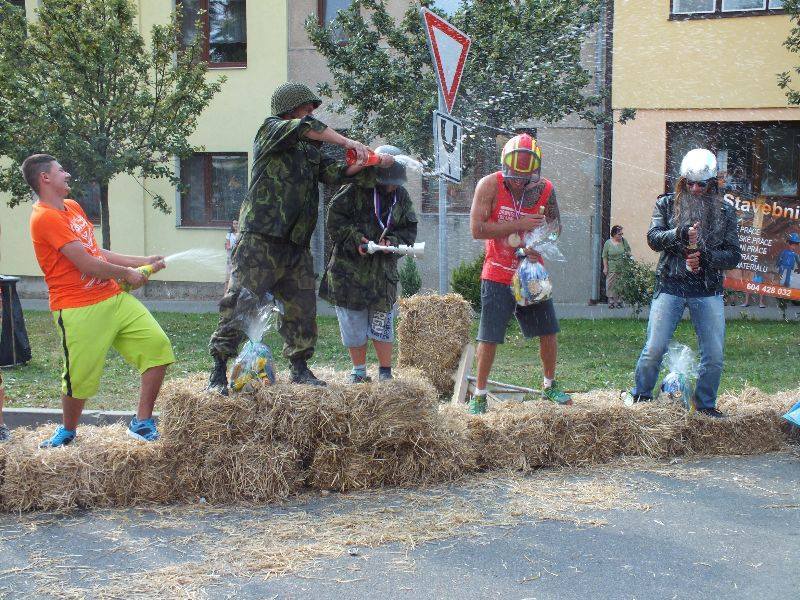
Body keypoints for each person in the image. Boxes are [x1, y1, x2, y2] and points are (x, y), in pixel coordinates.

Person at [207, 82, 393, 392]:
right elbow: (308, 127)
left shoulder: (309, 150)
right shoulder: (270, 130)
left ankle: (300, 367)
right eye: (307, 108)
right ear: (290, 108)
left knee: (302, 308)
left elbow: (333, 173)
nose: (312, 113)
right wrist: (349, 141)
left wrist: (365, 163)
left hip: (296, 244)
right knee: (240, 303)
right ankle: (218, 371)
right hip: (261, 239)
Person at [23, 154, 175, 447]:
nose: (67, 174)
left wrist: (142, 261)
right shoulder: (44, 217)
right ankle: (68, 430)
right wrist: (128, 273)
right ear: (45, 178)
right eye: (61, 170)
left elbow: (95, 251)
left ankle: (141, 423)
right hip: (77, 308)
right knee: (79, 379)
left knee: (158, 348)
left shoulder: (72, 207)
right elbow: (87, 264)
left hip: (112, 297)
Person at [625, 149, 741, 418]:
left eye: (702, 184)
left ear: (712, 184)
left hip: (707, 289)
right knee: (654, 347)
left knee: (713, 354)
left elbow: (734, 254)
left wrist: (707, 258)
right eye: (690, 183)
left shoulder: (725, 211)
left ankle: (705, 406)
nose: (696, 189)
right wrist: (677, 234)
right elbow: (653, 238)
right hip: (671, 284)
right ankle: (641, 397)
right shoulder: (666, 204)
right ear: (682, 181)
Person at [468, 133, 571, 415]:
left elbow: (555, 228)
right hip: (497, 271)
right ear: (505, 166)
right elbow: (477, 230)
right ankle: (480, 395)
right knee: (489, 335)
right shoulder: (489, 185)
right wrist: (519, 224)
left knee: (548, 330)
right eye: (514, 177)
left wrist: (540, 245)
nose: (518, 183)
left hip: (531, 273)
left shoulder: (545, 189)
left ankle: (549, 385)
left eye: (525, 179)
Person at [320, 145, 418, 384]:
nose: (392, 187)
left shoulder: (402, 197)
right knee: (353, 323)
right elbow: (334, 221)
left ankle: (385, 373)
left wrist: (392, 242)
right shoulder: (353, 190)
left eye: (395, 183)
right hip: (349, 273)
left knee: (382, 323)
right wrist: (356, 240)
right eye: (388, 183)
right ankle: (359, 372)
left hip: (382, 274)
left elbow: (409, 230)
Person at [602, 225, 631, 309]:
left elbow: (628, 251)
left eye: (622, 234)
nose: (621, 235)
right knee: (610, 283)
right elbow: (604, 256)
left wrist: (628, 255)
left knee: (621, 283)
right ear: (614, 234)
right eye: (619, 234)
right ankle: (611, 300)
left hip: (622, 266)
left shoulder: (624, 241)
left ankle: (619, 300)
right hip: (612, 266)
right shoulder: (608, 243)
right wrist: (605, 267)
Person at [224, 219, 239, 289]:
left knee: (237, 278)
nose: (235, 225)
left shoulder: (241, 234)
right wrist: (230, 247)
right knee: (228, 278)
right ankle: (225, 293)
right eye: (234, 224)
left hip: (238, 259)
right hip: (230, 258)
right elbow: (227, 245)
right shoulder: (229, 234)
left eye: (237, 223)